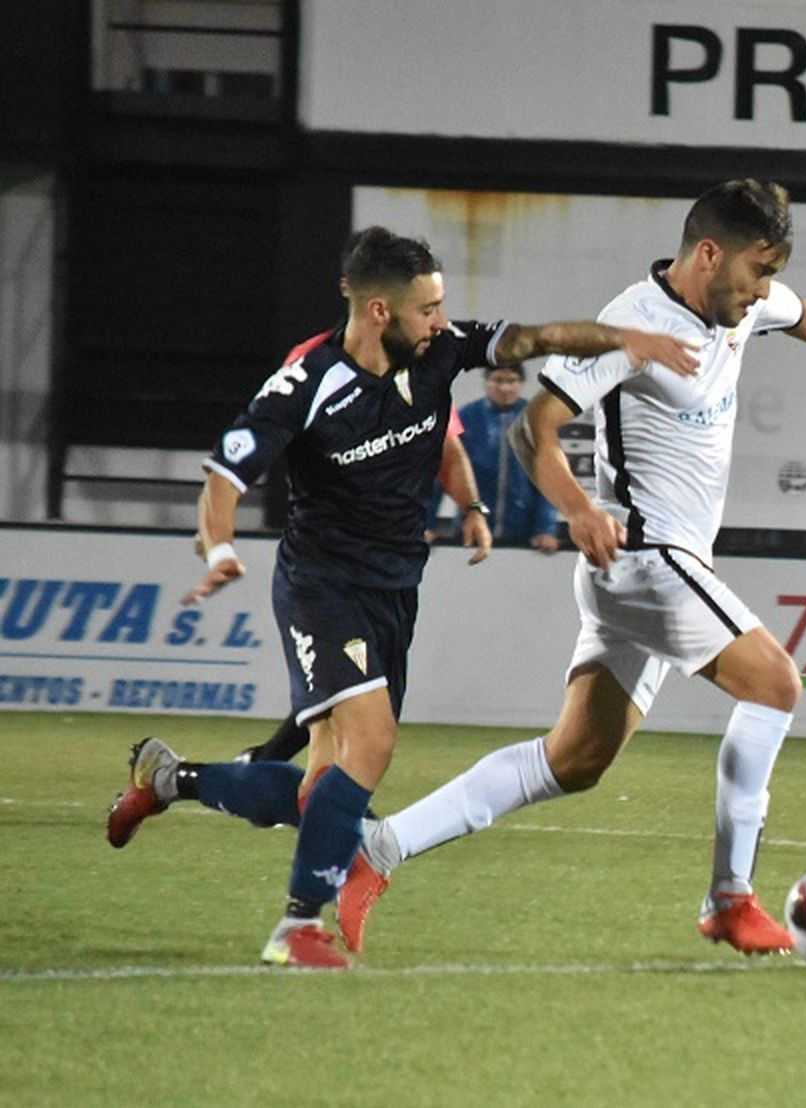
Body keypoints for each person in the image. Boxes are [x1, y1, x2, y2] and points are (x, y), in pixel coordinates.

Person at [337, 179, 806, 957]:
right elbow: (533, 432)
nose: (763, 292)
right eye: (757, 271)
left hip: (650, 571)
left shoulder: (740, 305)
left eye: (772, 274)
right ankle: (731, 898)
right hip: (644, 558)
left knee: (573, 761)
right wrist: (579, 509)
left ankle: (375, 850)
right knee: (776, 683)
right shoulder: (633, 324)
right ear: (709, 254)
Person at [104, 225, 698, 969]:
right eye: (429, 308)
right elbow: (225, 477)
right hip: (323, 585)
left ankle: (167, 777)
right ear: (380, 310)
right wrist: (220, 547)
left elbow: (535, 340)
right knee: (373, 746)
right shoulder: (306, 381)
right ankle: (297, 930)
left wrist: (626, 338)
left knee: (318, 792)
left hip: (394, 589)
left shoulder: (437, 354)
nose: (443, 322)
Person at [238, 416, 485, 767]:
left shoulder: (428, 378)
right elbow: (254, 445)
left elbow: (449, 449)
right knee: (344, 704)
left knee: (375, 713)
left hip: (395, 575)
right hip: (328, 569)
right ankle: (327, 808)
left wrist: (472, 509)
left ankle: (253, 768)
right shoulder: (319, 370)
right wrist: (217, 531)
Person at [427, 362, 562, 554]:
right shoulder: (466, 417)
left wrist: (545, 529)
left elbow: (549, 480)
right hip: (471, 531)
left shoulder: (536, 420)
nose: (505, 388)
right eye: (498, 380)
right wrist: (426, 524)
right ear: (486, 382)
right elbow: (442, 473)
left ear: (521, 383)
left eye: (511, 381)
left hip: (523, 535)